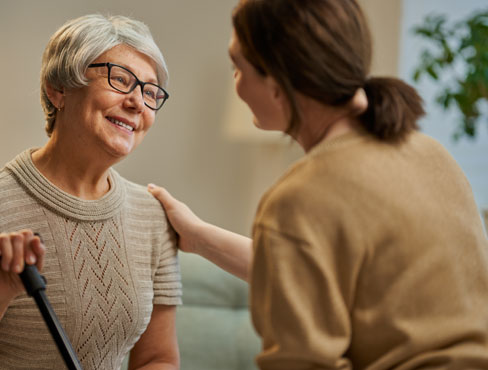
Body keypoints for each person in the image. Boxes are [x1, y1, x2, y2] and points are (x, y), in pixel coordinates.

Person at [148, 0, 488, 369]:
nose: (236, 84)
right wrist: (197, 237)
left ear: (277, 85)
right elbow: (320, 273)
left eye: (238, 66)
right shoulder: (430, 153)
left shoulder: (301, 197)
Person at [0, 14, 181, 370]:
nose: (137, 103)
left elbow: (157, 358)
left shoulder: (151, 215)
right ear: (59, 89)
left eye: (149, 92)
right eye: (120, 79)